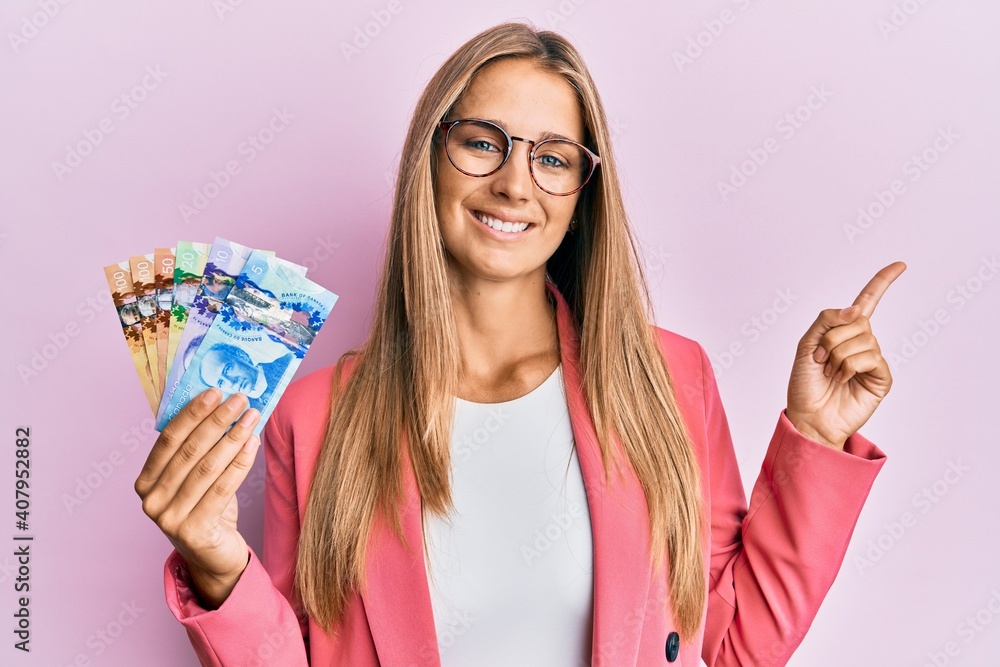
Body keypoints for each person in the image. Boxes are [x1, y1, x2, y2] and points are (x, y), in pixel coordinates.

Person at [134, 21, 904, 666]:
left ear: (581, 192)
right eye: (482, 142)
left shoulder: (671, 378)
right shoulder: (315, 416)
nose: (514, 183)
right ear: (428, 157)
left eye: (553, 157)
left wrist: (818, 437)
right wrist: (217, 566)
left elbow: (734, 641)